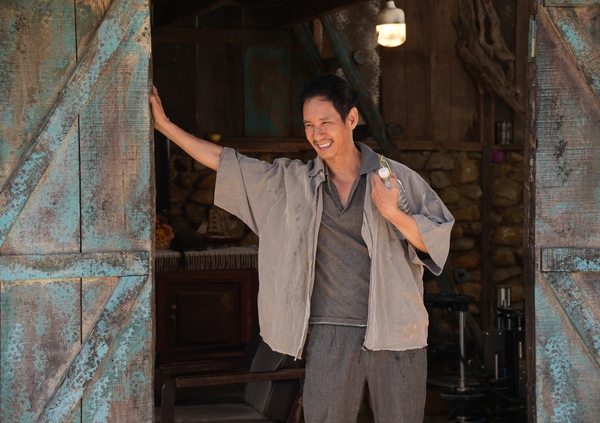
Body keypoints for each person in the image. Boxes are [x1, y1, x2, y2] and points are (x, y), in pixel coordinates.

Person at [150, 75, 454, 422]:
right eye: (309, 125)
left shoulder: (395, 178)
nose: (317, 133)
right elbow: (228, 163)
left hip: (397, 331)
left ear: (351, 119)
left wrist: (392, 212)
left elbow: (435, 241)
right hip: (328, 333)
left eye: (326, 122)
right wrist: (165, 126)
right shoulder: (294, 183)